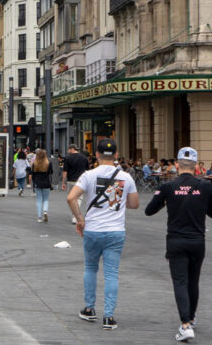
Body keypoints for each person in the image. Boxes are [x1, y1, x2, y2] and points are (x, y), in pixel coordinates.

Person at [144, 147, 212, 343]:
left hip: (176, 240)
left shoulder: (169, 186)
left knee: (180, 282)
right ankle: (191, 319)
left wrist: (166, 201)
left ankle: (185, 324)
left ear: (177, 165)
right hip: (197, 240)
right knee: (193, 281)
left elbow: (149, 210)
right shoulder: (205, 187)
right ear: (196, 166)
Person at [67, 138, 139, 330]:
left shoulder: (88, 175)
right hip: (115, 231)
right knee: (111, 274)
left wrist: (79, 218)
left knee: (90, 268)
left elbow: (71, 197)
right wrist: (118, 198)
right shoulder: (126, 177)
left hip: (92, 229)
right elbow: (134, 204)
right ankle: (109, 316)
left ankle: (89, 309)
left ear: (96, 155)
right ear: (116, 155)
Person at [62, 144, 91, 224]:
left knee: (71, 198)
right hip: (81, 181)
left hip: (70, 181)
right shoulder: (84, 158)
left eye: (68, 149)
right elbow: (87, 171)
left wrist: (63, 182)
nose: (68, 151)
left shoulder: (67, 158)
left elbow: (65, 171)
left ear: (72, 149)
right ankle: (75, 216)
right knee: (79, 198)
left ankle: (74, 215)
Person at [30, 149, 53, 223]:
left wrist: (34, 184)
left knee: (39, 200)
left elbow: (32, 175)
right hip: (46, 183)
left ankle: (39, 217)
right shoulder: (48, 163)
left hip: (37, 183)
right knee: (46, 199)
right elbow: (51, 173)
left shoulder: (34, 164)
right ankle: (45, 211)